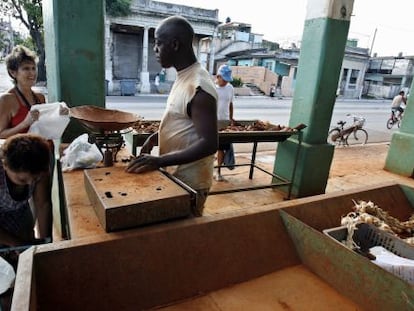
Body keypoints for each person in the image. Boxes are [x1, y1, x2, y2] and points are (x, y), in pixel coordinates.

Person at [126, 15, 218, 217]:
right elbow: (183, 122)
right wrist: (156, 137)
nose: (154, 49)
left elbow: (209, 143)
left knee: (180, 242)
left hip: (190, 185)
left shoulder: (199, 86)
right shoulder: (184, 76)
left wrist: (159, 161)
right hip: (176, 178)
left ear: (175, 45)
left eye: (158, 43)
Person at [0, 133, 52, 247]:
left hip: (19, 214)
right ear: (5, 165)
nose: (30, 183)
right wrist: (19, 244)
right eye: (22, 180)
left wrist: (46, 243)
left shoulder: (40, 165)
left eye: (35, 178)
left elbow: (42, 204)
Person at [0, 45, 46, 139]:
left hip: (43, 150)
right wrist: (24, 123)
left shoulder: (40, 97)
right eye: (26, 68)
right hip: (21, 152)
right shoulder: (7, 100)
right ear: (13, 73)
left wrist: (58, 115)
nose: (32, 73)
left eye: (33, 68)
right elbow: (1, 134)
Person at [215, 64, 235, 181]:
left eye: (228, 80)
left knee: (221, 148)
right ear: (218, 77)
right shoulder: (212, 88)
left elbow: (231, 104)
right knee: (212, 147)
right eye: (224, 79)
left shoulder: (230, 88)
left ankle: (218, 171)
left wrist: (231, 118)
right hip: (213, 122)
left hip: (225, 122)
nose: (226, 82)